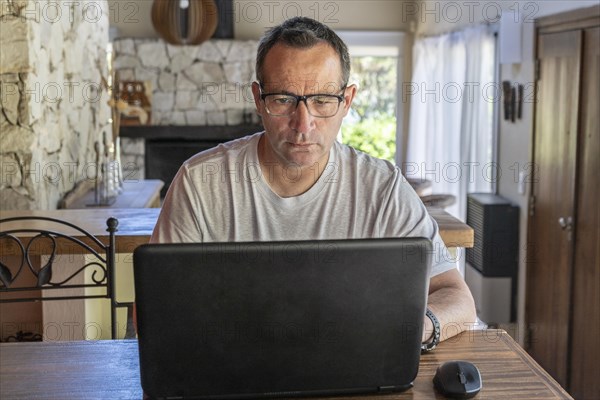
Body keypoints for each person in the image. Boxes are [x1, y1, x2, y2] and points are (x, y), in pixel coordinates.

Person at [151, 17, 476, 348]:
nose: (303, 124)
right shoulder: (199, 182)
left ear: (346, 101)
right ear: (258, 99)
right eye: (283, 100)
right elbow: (155, 307)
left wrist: (413, 329)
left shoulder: (383, 189)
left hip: (354, 366)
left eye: (322, 100)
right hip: (231, 365)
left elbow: (457, 298)